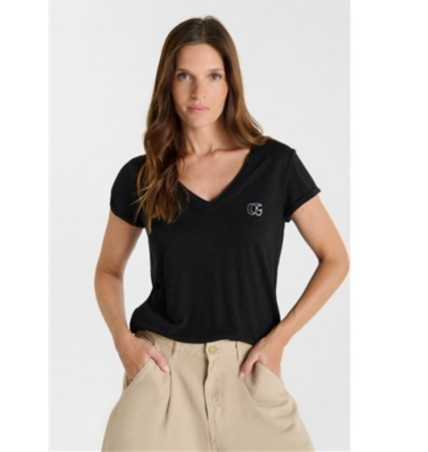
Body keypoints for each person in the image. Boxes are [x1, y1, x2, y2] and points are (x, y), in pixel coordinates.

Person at [94, 15, 349, 452]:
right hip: (163, 375)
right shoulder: (143, 175)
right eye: (184, 76)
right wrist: (124, 343)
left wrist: (280, 340)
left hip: (249, 371)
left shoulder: (276, 166)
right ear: (167, 84)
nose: (199, 93)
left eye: (213, 76)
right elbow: (108, 270)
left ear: (230, 83)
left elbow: (335, 258)